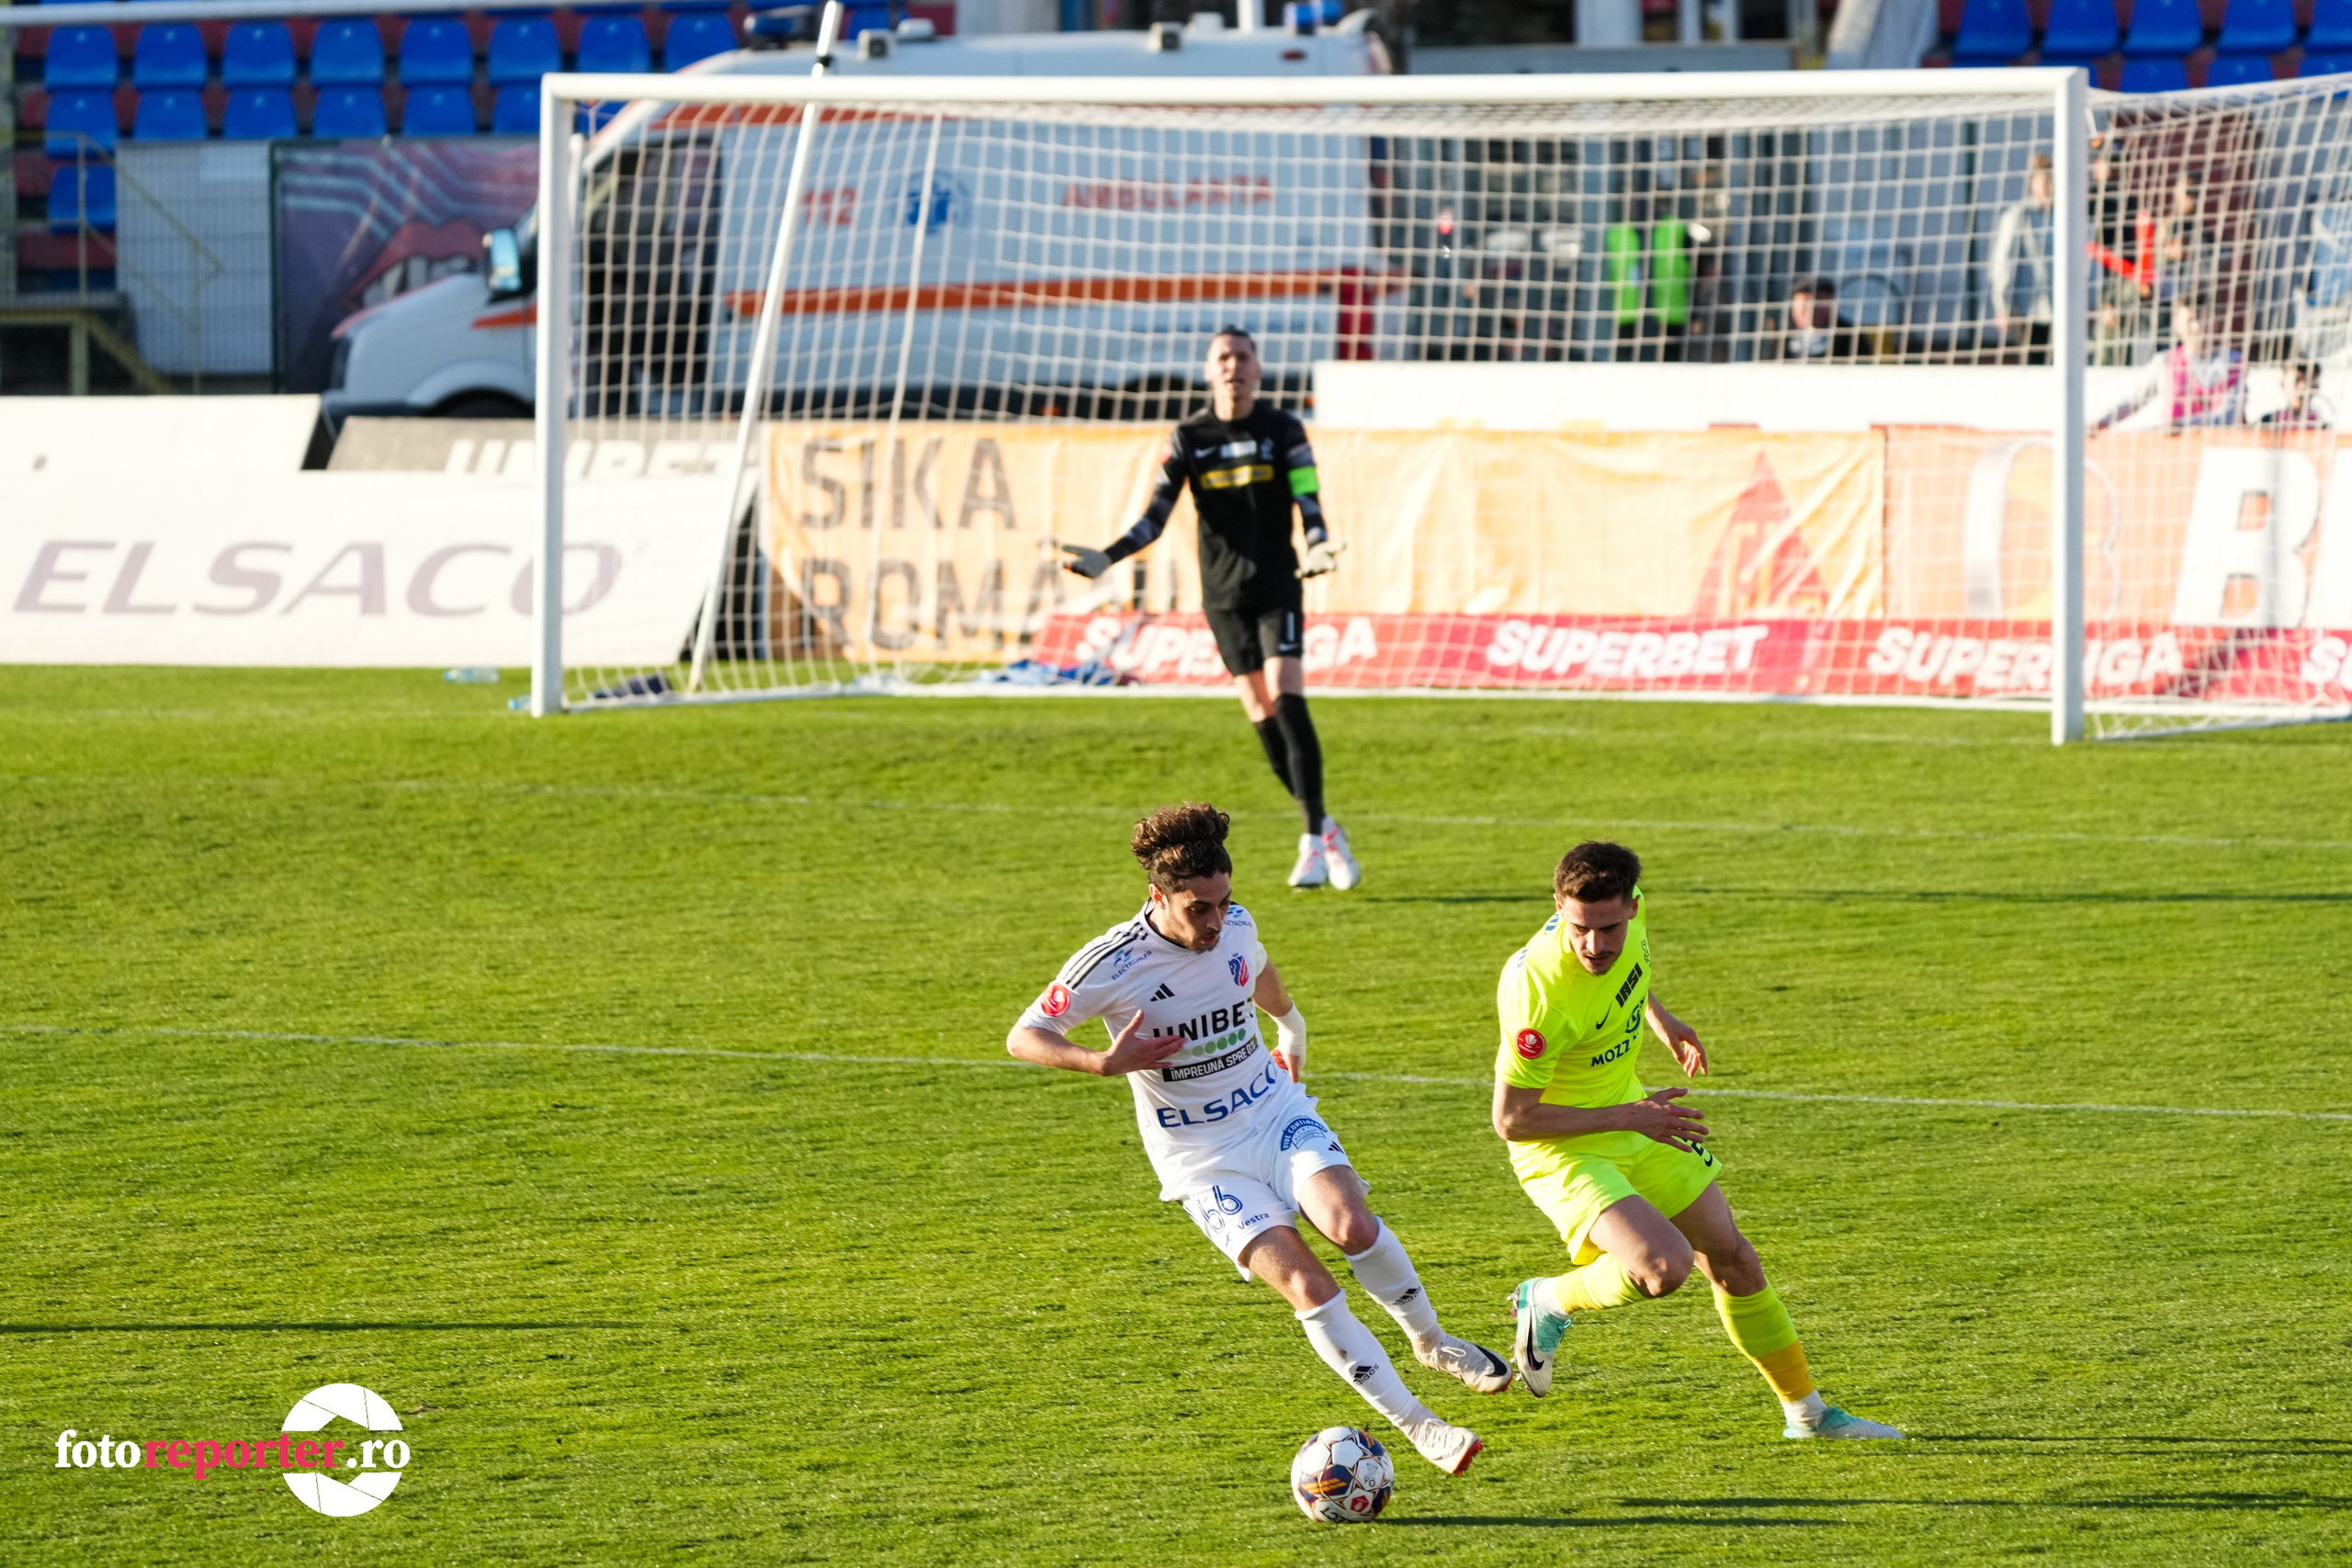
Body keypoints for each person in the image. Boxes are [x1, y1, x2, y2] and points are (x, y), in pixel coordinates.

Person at [1008, 804, 1510, 1474]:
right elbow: (1025, 1035)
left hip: (1273, 1113)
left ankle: (1433, 1340)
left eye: (1224, 901)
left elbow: (1258, 974)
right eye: (1198, 909)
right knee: (1308, 1284)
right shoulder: (1113, 961)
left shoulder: (1236, 926)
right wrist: (1102, 1062)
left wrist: (1292, 1029)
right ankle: (1421, 1426)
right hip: (1201, 1157)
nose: (1215, 921)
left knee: (1352, 1223)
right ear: (1158, 896)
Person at [1494, 840, 1903, 1441]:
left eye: (1608, 927)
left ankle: (1809, 1417)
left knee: (1734, 1259)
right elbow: (1512, 1119)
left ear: (1632, 906)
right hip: (1562, 1146)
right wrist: (1628, 1115)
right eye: (1580, 929)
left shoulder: (1626, 927)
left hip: (1635, 1115)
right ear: (1558, 905)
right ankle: (1549, 1300)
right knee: (1663, 1267)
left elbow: (1625, 977)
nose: (1595, 945)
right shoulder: (1537, 991)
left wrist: (1660, 1018)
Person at [1058, 328, 1360, 891]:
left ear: (1258, 369)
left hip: (1278, 588)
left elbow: (1307, 497)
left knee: (1287, 694)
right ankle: (1325, 829)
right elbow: (1155, 516)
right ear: (1208, 370)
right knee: (1260, 710)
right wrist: (1109, 556)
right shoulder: (1190, 437)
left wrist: (1318, 542)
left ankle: (1312, 840)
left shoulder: (1283, 429)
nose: (1233, 367)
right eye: (1223, 357)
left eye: (1242, 357)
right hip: (1223, 598)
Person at [2097, 296, 2245, 430]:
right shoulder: (2165, 362)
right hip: (2176, 452)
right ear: (2176, 324)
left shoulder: (2231, 361)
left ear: (2217, 322)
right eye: (2190, 321)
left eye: (2203, 319)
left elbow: (2230, 414)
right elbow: (2135, 400)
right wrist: (2102, 421)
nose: (2197, 327)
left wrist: (2183, 425)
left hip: (2221, 452)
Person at [1987, 154, 2054, 363]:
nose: (2051, 187)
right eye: (2046, 181)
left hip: (2066, 312)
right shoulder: (2018, 216)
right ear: (2032, 183)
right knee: (2034, 369)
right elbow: (2003, 263)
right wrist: (2003, 304)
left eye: (2054, 181)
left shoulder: (2070, 215)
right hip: (2031, 311)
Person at [1775, 276, 1855, 361]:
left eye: (1818, 303)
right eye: (1804, 303)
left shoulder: (1849, 335)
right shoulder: (1780, 335)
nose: (1810, 310)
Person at [2261, 360, 2332, 429]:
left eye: (2310, 381)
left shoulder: (2321, 428)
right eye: (2296, 380)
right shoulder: (2267, 423)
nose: (2303, 387)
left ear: (2317, 387)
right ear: (2283, 383)